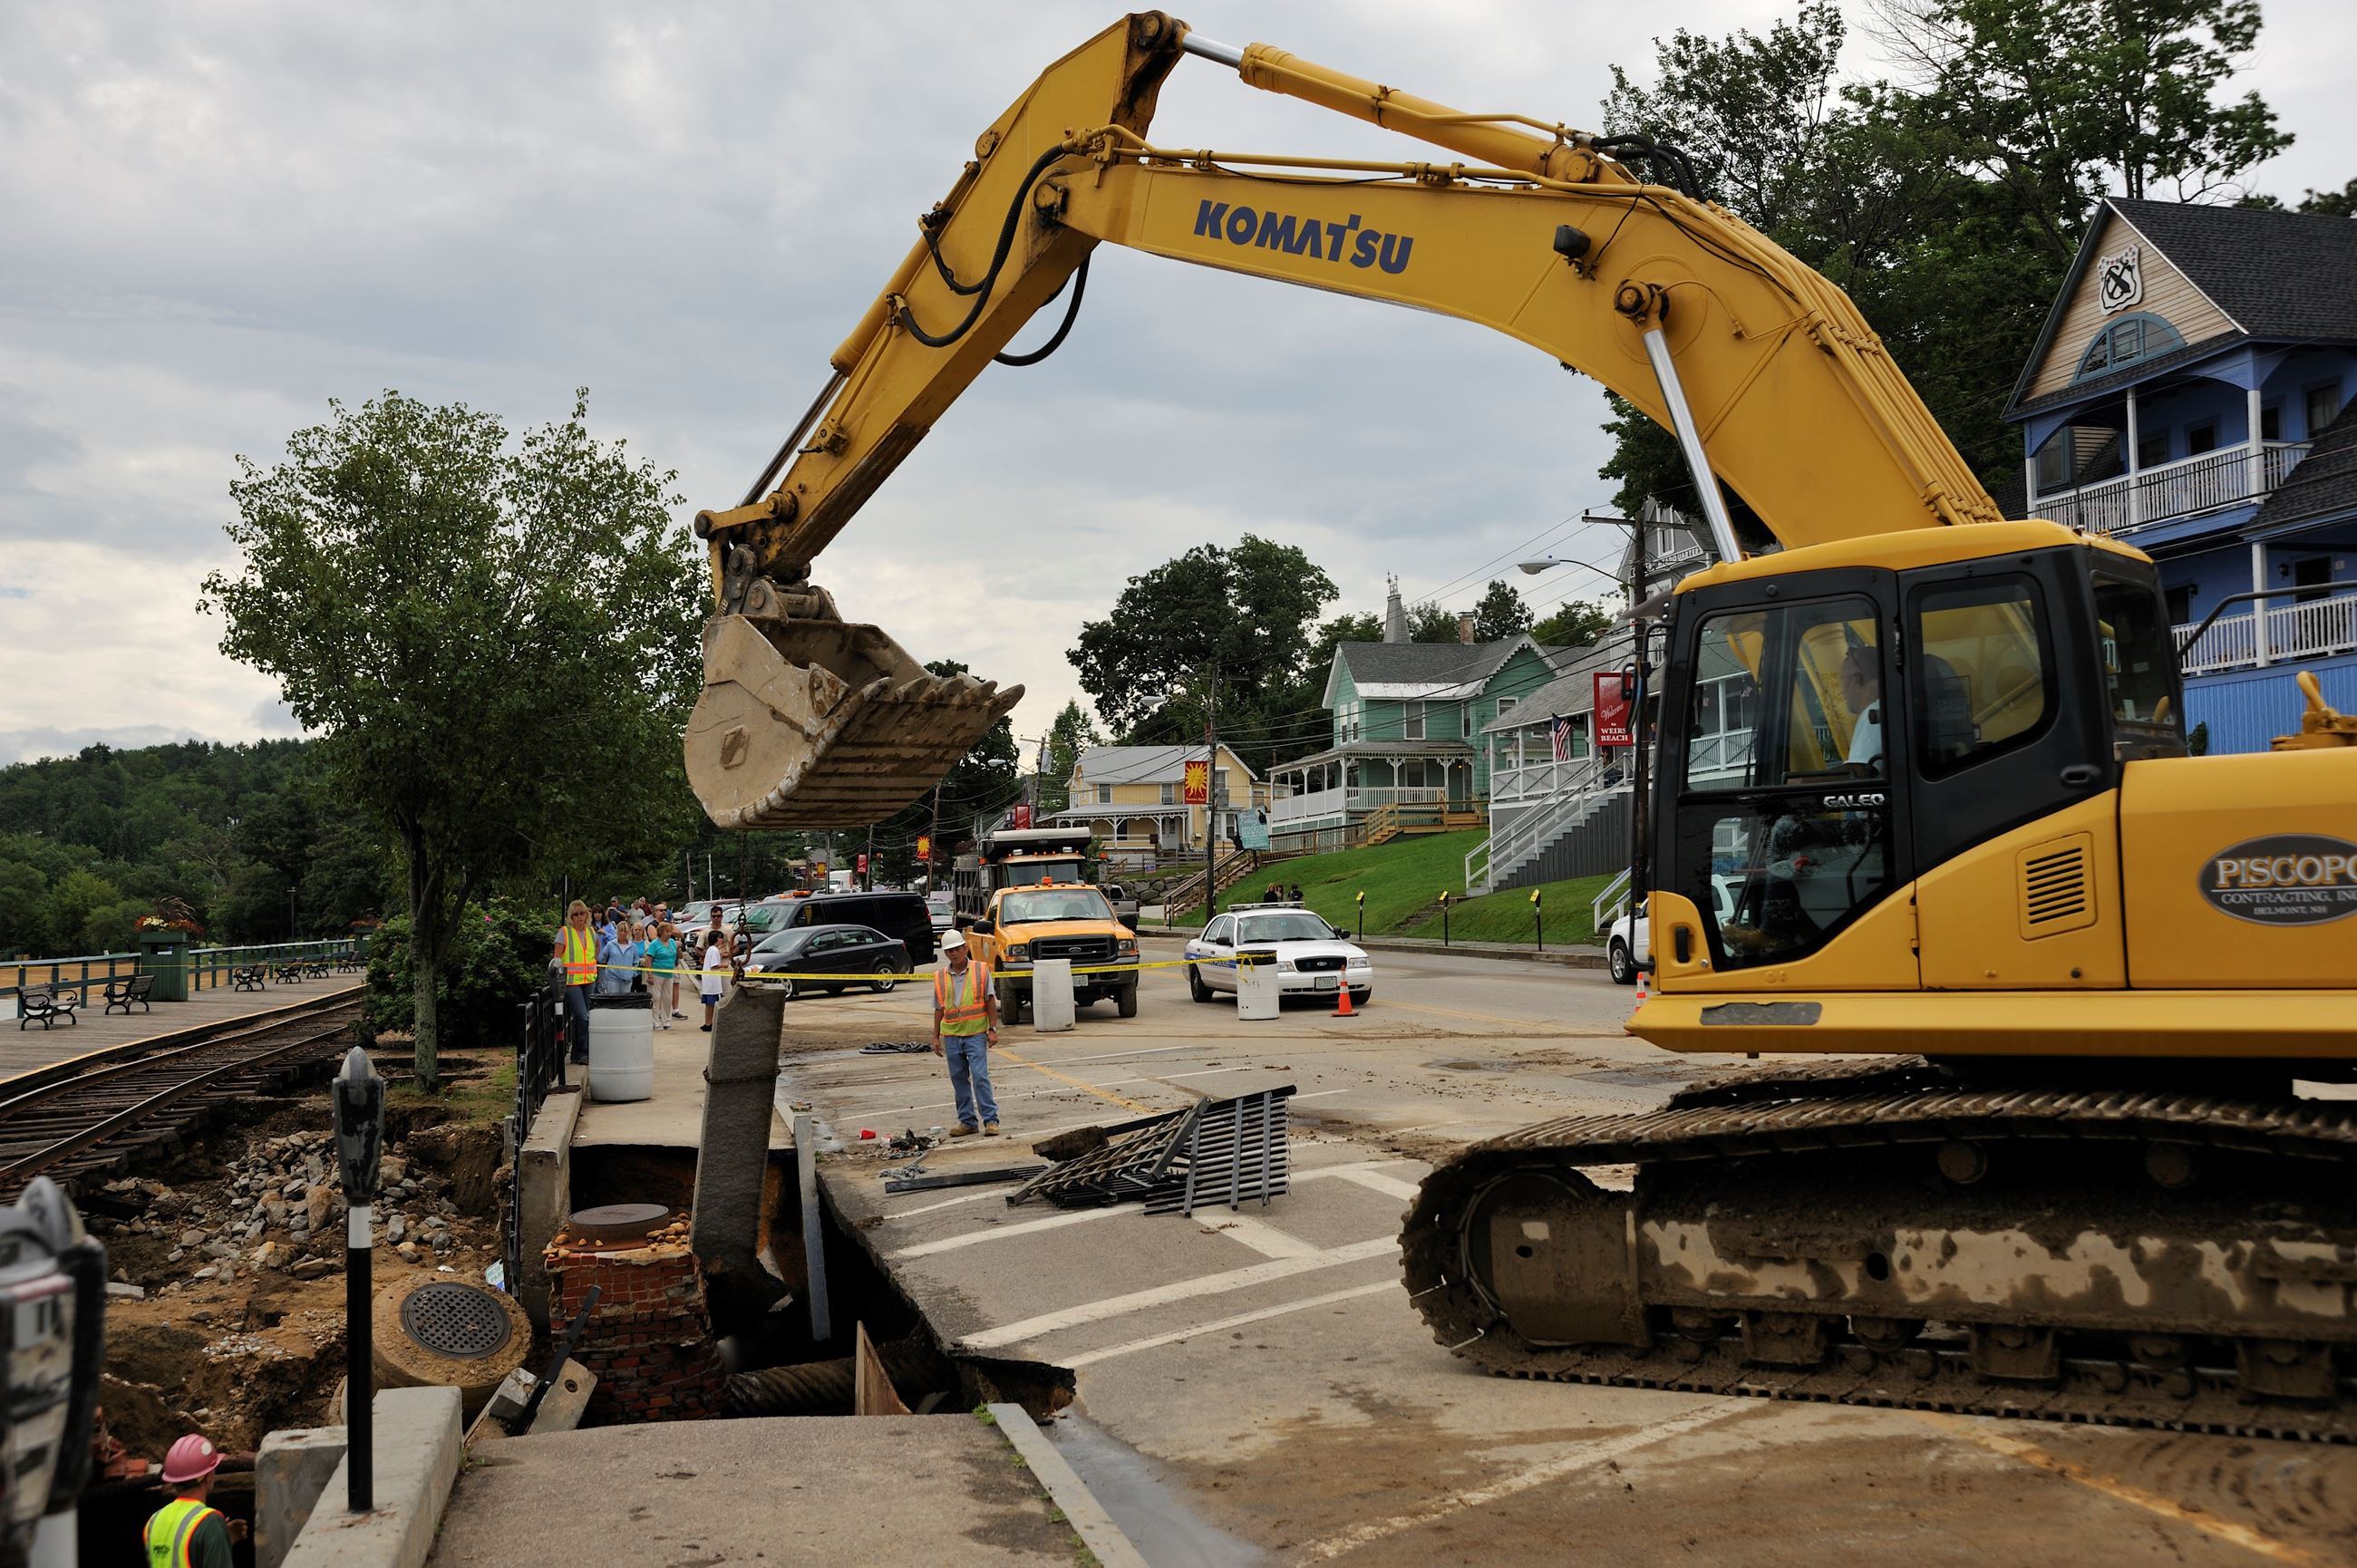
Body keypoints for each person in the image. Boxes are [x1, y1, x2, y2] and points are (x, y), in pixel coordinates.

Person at [932, 928, 1001, 1135]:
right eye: (950, 950)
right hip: (952, 1036)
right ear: (946, 954)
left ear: (965, 948)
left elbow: (990, 1000)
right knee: (959, 1079)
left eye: (957, 949)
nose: (954, 953)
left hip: (975, 1033)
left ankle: (990, 1120)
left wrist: (992, 1029)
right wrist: (935, 1036)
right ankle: (968, 1122)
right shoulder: (940, 977)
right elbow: (938, 1009)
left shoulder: (980, 970)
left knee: (980, 1076)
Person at [144, 1432, 243, 1567]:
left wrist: (220, 1541)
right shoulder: (210, 1523)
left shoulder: (153, 1521)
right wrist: (215, 1536)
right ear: (208, 1476)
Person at [554, 900, 597, 1064]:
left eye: (582, 913)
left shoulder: (591, 932)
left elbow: (594, 953)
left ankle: (577, 1053)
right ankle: (584, 1052)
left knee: (586, 1018)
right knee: (582, 1016)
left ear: (587, 914)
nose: (579, 917)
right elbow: (557, 958)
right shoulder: (564, 932)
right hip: (571, 981)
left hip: (589, 979)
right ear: (570, 917)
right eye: (575, 914)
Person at [1841, 645, 1884, 769]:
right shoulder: (1891, 709)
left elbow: (1859, 773)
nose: (1842, 691)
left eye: (1842, 679)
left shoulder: (1874, 715)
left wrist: (1803, 782)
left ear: (1856, 680)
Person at [644, 923, 680, 1029]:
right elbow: (648, 959)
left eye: (670, 931)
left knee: (667, 998)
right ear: (661, 932)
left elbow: (677, 956)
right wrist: (650, 974)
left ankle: (666, 1022)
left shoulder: (672, 942)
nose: (669, 934)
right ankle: (655, 1022)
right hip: (656, 974)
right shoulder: (654, 944)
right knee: (656, 998)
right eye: (666, 932)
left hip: (669, 974)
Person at [698, 925, 729, 1031]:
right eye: (720, 938)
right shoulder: (714, 950)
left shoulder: (710, 950)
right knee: (712, 1004)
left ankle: (708, 1022)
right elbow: (714, 965)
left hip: (708, 981)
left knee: (708, 1005)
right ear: (716, 939)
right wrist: (724, 966)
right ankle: (709, 1023)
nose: (721, 940)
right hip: (712, 982)